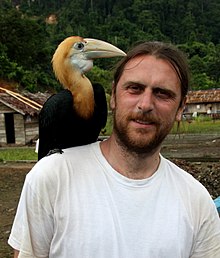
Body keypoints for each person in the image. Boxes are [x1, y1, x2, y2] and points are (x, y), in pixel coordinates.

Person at [8, 41, 220, 258]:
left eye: (162, 93)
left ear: (180, 108)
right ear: (114, 97)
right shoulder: (50, 177)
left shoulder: (197, 201)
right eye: (134, 89)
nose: (145, 104)